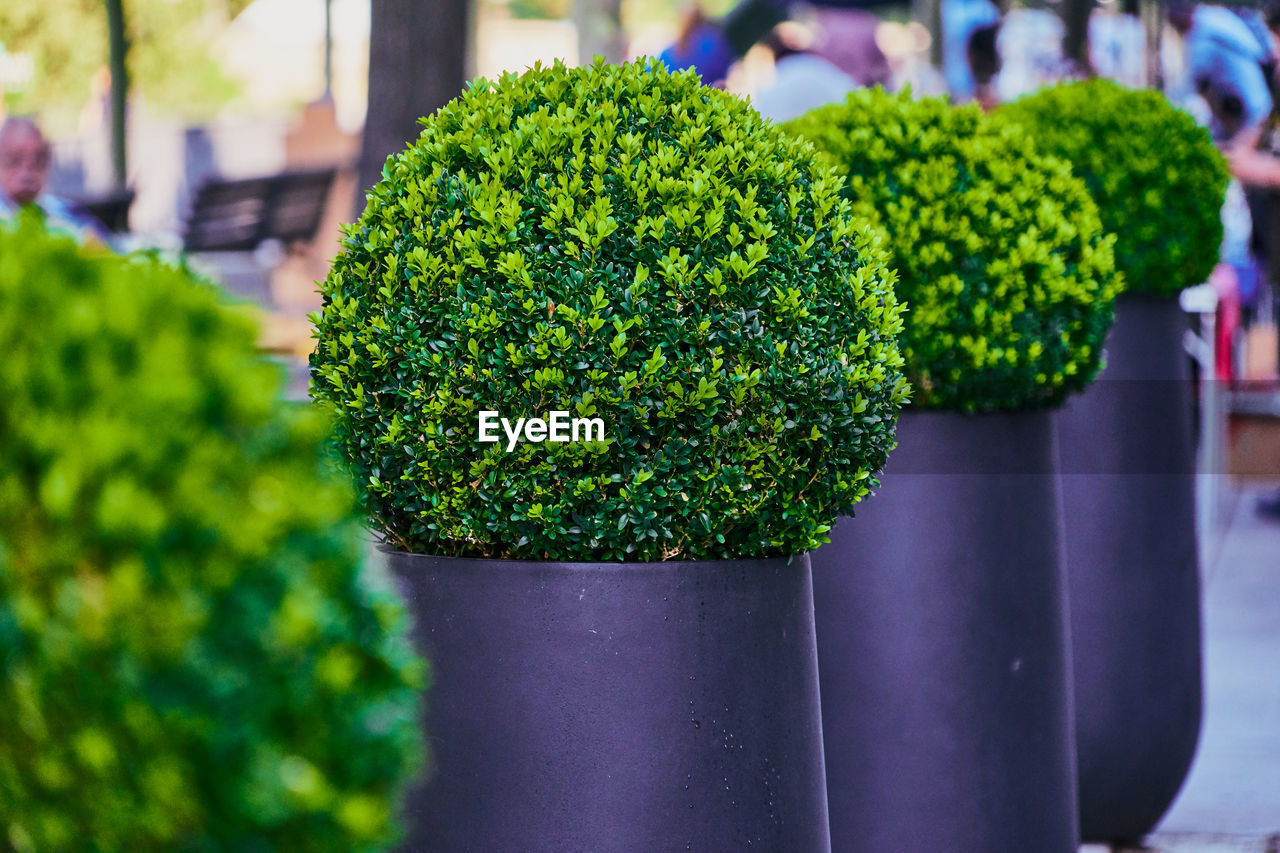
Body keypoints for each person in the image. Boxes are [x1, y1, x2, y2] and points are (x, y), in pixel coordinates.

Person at [1170, 3, 1275, 142]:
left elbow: (1193, 80)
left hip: (1250, 110)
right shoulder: (1215, 18)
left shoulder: (1202, 33)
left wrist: (1169, 107)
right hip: (1258, 100)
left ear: (1180, 15)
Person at [0, 116, 112, 245]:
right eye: (14, 159)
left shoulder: (68, 212)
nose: (27, 170)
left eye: (39, 159)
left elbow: (112, 249)